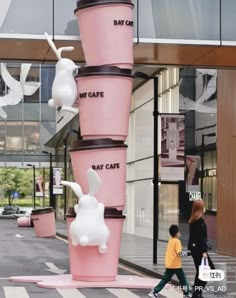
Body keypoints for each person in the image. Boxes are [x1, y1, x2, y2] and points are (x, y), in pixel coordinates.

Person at [148, 225, 191, 298]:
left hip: (169, 264)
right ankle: (186, 294)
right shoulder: (177, 241)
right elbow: (179, 253)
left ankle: (154, 291)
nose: (180, 233)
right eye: (179, 231)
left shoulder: (171, 240)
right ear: (177, 233)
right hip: (176, 265)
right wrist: (188, 253)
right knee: (183, 279)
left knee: (165, 280)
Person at [188, 199, 215, 298]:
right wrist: (204, 251)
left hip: (195, 250)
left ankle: (197, 293)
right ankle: (196, 293)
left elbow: (193, 238)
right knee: (209, 271)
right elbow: (201, 238)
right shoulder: (200, 221)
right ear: (200, 208)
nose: (204, 207)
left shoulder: (192, 220)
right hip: (200, 250)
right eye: (203, 206)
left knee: (200, 272)